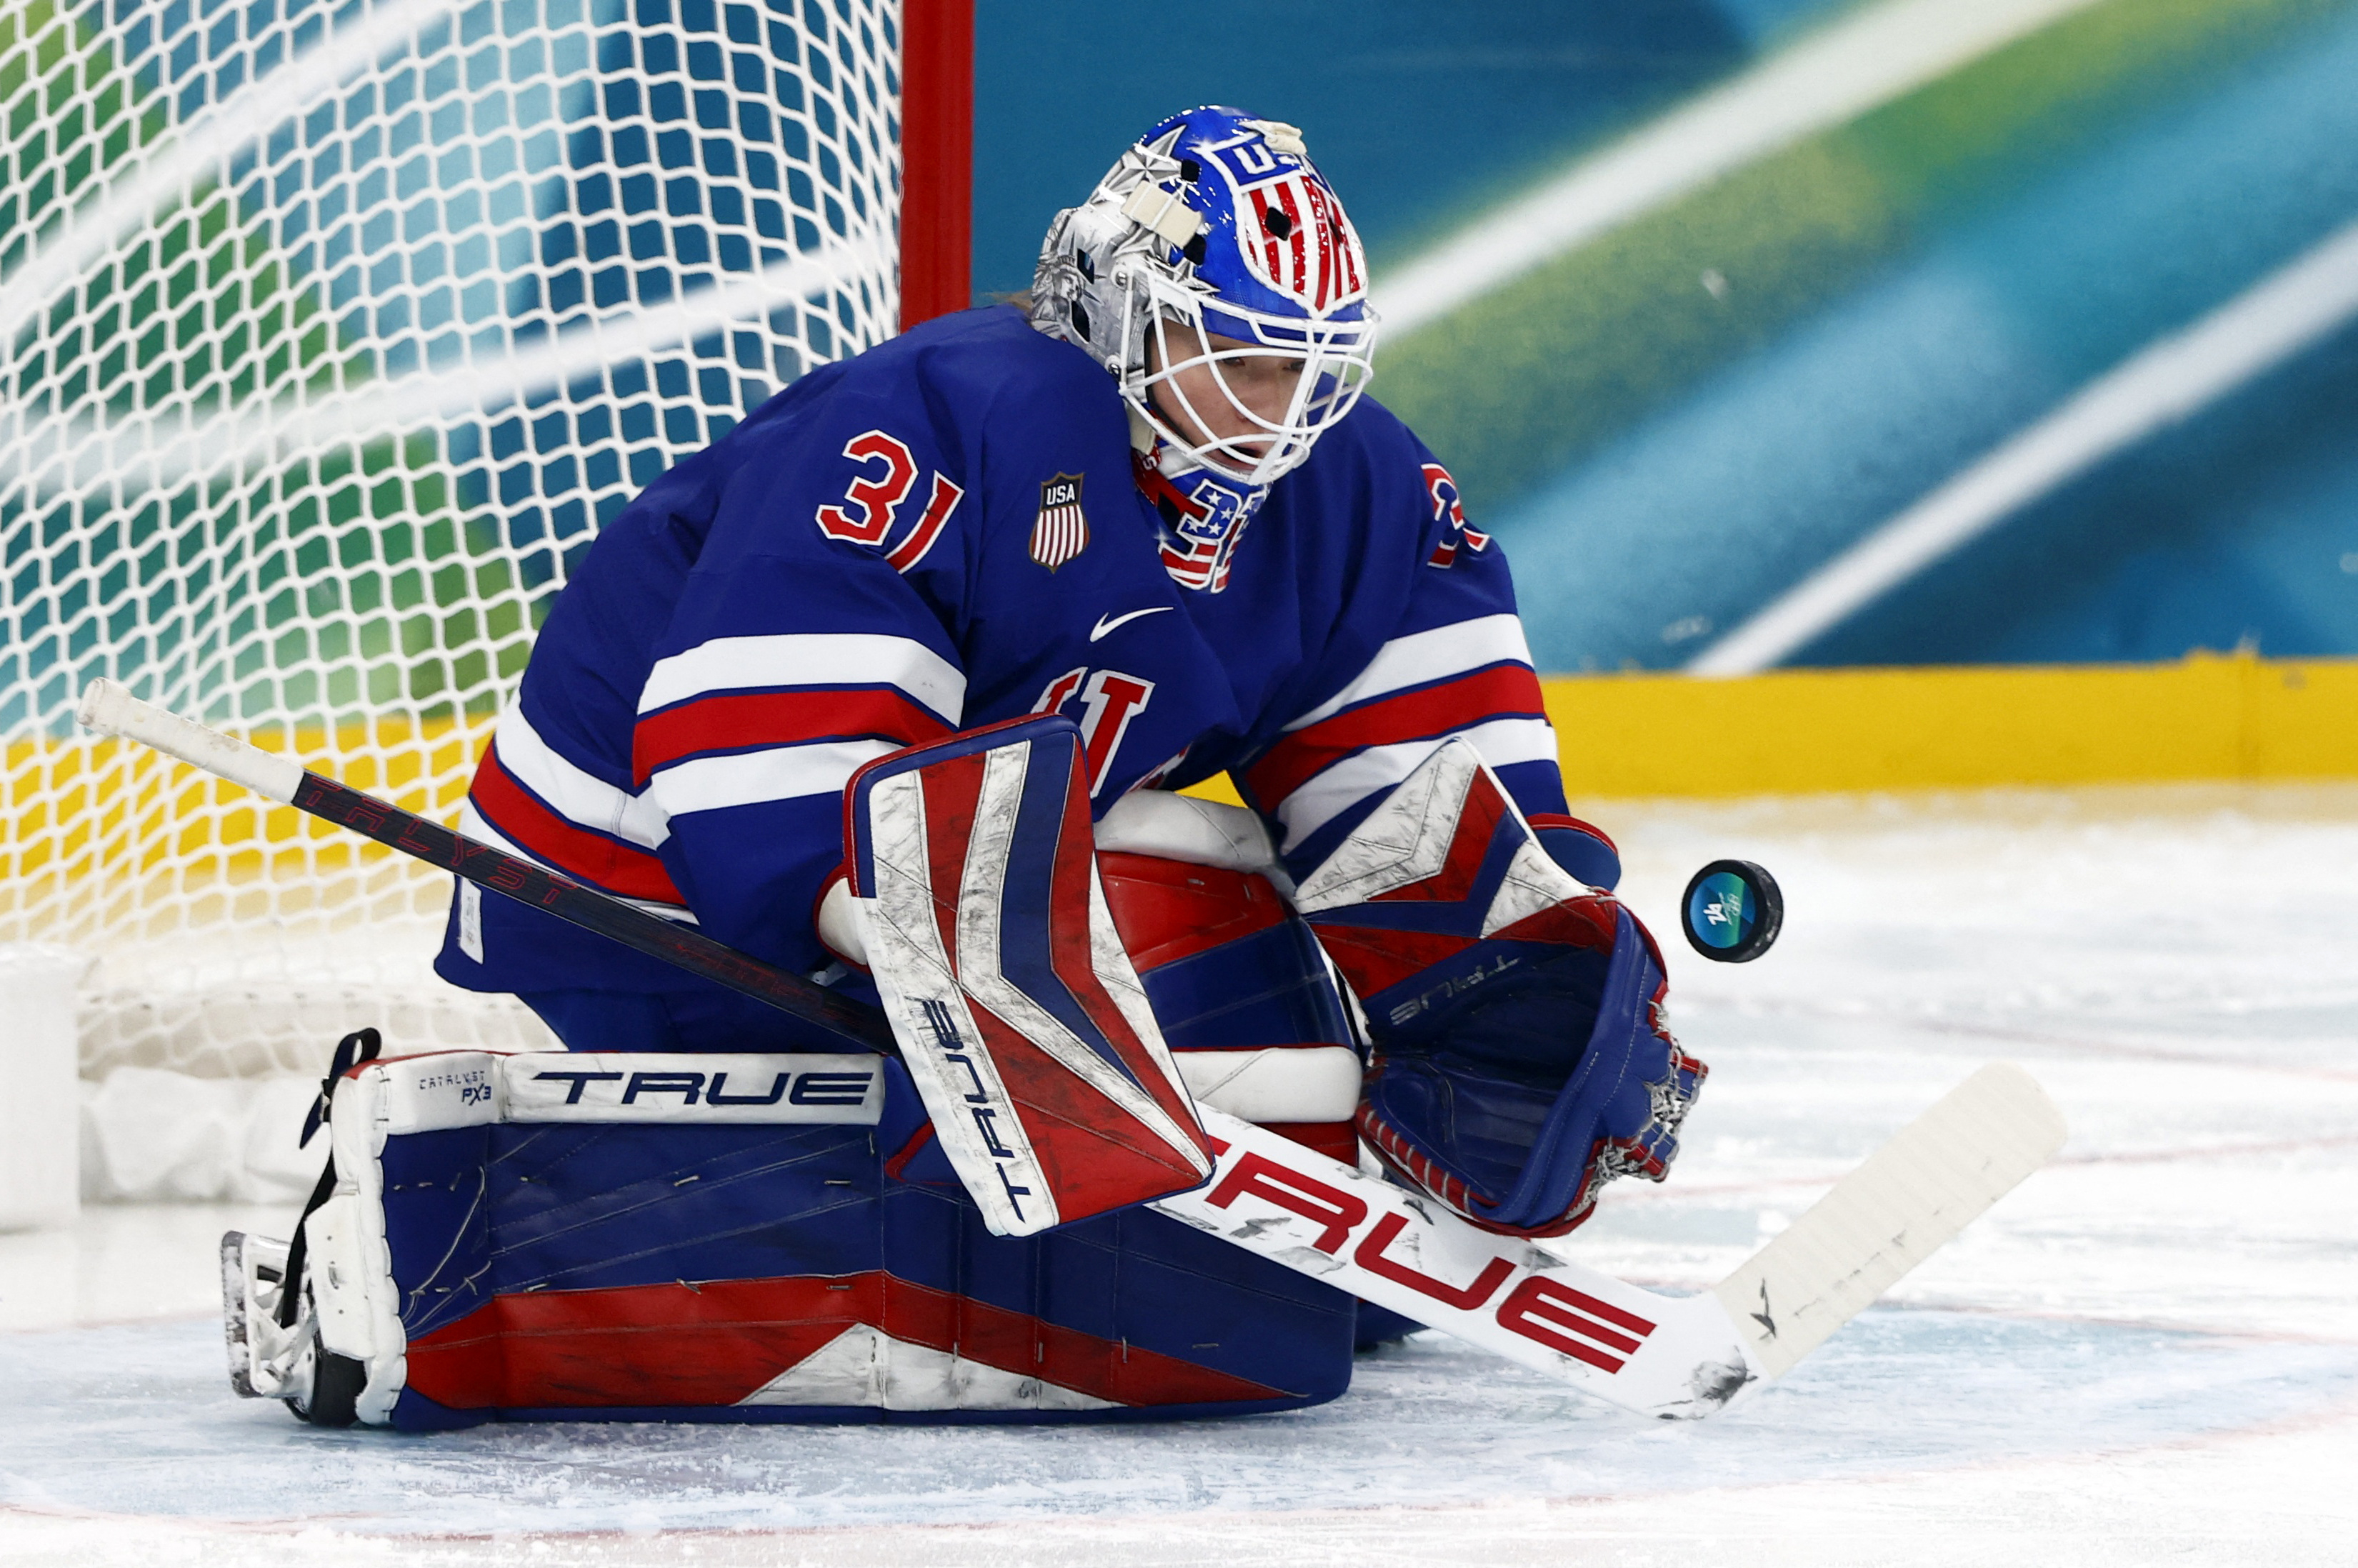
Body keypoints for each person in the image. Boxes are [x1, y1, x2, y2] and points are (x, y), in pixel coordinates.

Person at [394, 106, 1701, 1425]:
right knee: (1141, 937)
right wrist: (964, 979)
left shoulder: (1350, 485)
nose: (1277, 416)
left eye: (1310, 371)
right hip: (644, 893)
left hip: (917, 870)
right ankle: (538, 1262)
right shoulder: (932, 419)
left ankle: (1127, 1254)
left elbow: (1425, 784)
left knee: (1212, 1001)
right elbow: (761, 749)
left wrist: (1511, 959)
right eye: (1240, 360)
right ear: (1110, 306)